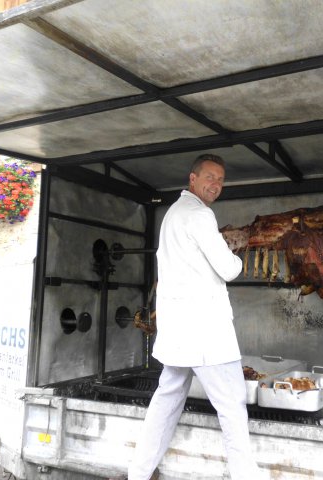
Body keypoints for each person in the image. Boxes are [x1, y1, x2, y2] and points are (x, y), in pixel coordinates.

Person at [128, 154, 262, 480]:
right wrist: (236, 252)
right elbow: (228, 269)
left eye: (220, 180)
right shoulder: (200, 216)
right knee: (232, 408)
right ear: (193, 179)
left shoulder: (173, 214)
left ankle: (138, 473)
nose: (216, 185)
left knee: (166, 401)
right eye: (210, 177)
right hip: (205, 334)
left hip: (178, 332)